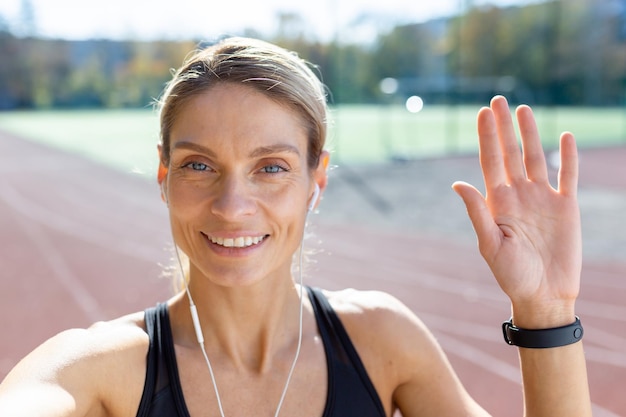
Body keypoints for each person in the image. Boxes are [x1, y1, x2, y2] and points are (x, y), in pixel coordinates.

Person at [0, 36, 591, 417]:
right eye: (199, 165)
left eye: (271, 168)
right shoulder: (102, 369)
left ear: (317, 181)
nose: (233, 205)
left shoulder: (381, 343)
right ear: (164, 176)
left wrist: (545, 309)